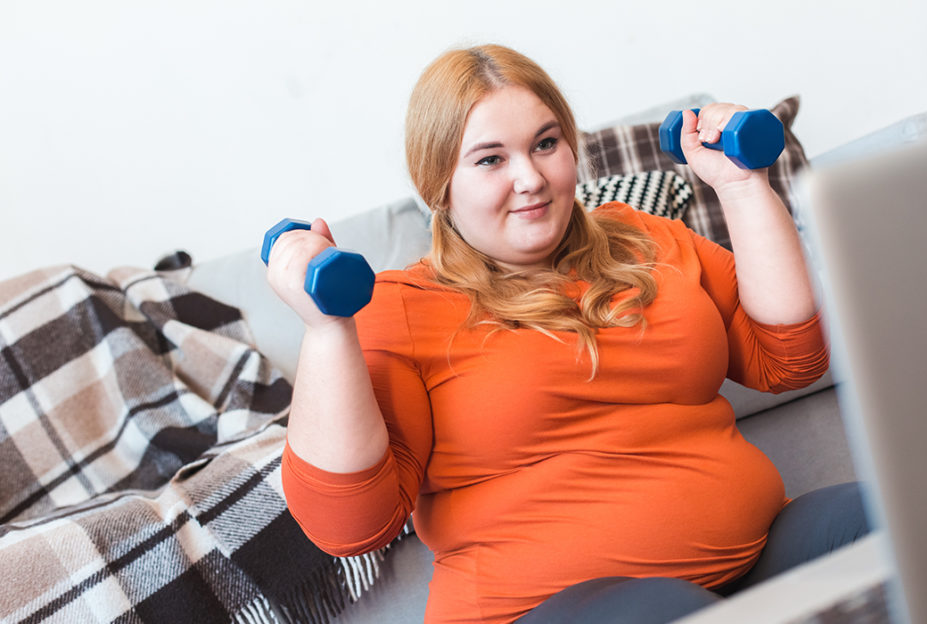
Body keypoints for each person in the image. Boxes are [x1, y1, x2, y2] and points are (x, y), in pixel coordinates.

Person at [265, 44, 868, 624]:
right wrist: (326, 330)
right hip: (538, 610)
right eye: (490, 158)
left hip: (756, 558)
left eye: (546, 144)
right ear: (437, 185)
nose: (530, 177)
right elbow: (350, 528)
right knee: (665, 614)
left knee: (901, 519)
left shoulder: (646, 238)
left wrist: (742, 186)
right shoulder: (401, 306)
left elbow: (791, 359)